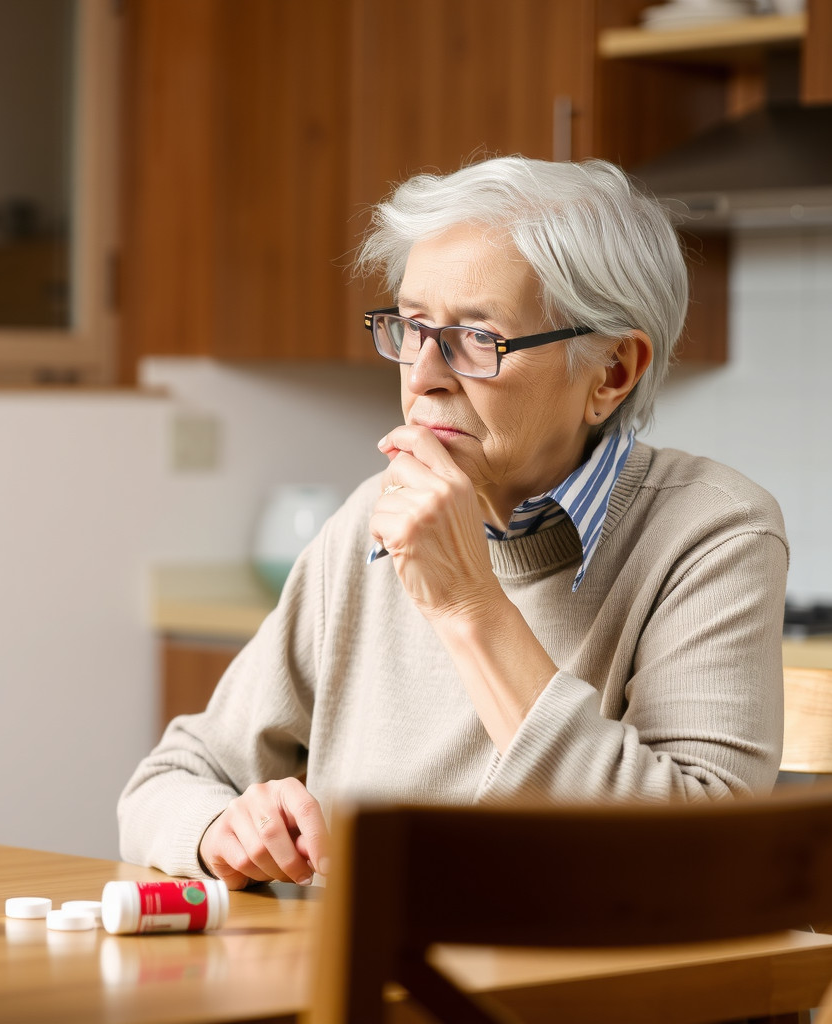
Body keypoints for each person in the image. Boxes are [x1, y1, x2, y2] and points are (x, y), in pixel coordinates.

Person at [117, 157, 788, 890]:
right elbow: (170, 780)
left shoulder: (712, 531)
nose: (423, 374)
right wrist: (222, 830)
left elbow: (698, 865)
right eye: (411, 327)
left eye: (478, 338)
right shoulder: (368, 524)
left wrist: (469, 604)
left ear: (611, 373)